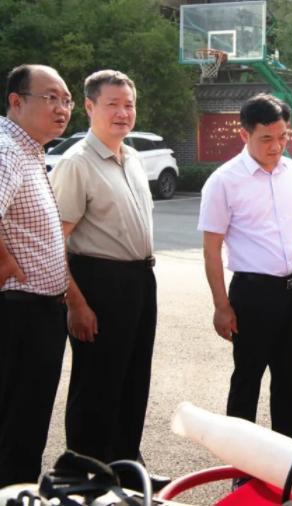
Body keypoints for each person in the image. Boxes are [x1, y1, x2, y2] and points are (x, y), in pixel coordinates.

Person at [49, 70, 165, 489]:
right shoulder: (77, 163)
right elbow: (54, 242)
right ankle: (84, 473)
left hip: (139, 280)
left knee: (134, 378)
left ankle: (123, 468)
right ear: (90, 107)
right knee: (97, 383)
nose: (123, 112)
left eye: (129, 104)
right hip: (98, 283)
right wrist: (76, 304)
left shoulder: (131, 157)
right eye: (113, 104)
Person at [199, 93, 292, 440]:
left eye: (283, 137)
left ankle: (286, 456)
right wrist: (221, 306)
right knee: (247, 380)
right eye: (266, 138)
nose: (276, 146)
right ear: (244, 135)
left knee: (289, 379)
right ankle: (241, 465)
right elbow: (211, 249)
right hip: (253, 295)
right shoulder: (224, 181)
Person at [0, 64, 71, 487]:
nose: (61, 108)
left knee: (25, 425)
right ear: (16, 100)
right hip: (18, 313)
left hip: (38, 311)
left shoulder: (29, 151)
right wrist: (7, 267)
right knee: (16, 425)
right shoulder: (7, 149)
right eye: (50, 97)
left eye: (66, 99)